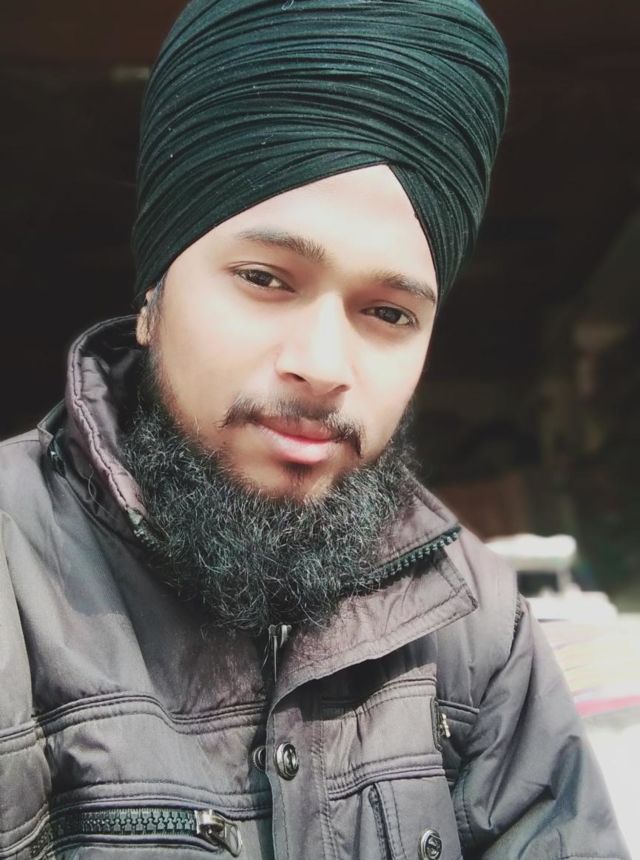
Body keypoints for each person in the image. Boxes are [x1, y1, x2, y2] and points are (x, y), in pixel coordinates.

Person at [0, 0, 629, 858]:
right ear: (153, 296)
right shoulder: (15, 577)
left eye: (388, 313)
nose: (324, 365)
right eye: (265, 278)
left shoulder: (474, 618)